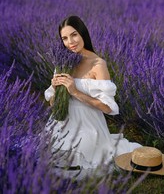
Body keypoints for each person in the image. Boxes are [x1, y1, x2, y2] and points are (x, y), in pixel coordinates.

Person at [44, 15, 141, 176]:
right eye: (65, 38)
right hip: (61, 122)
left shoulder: (98, 64)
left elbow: (107, 107)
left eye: (74, 34)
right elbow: (53, 105)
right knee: (50, 154)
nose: (70, 42)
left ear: (83, 33)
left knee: (78, 156)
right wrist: (55, 89)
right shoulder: (62, 61)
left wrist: (75, 92)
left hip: (88, 124)